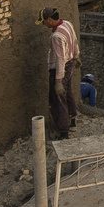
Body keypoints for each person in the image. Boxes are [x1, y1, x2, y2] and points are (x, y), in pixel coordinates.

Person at [43, 8, 79, 140]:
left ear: (50, 20)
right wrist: (76, 56)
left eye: (44, 22)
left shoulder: (56, 36)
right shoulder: (67, 24)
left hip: (60, 69)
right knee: (68, 92)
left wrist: (58, 80)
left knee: (59, 99)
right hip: (69, 65)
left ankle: (64, 131)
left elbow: (59, 58)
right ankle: (72, 120)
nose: (43, 24)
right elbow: (74, 40)